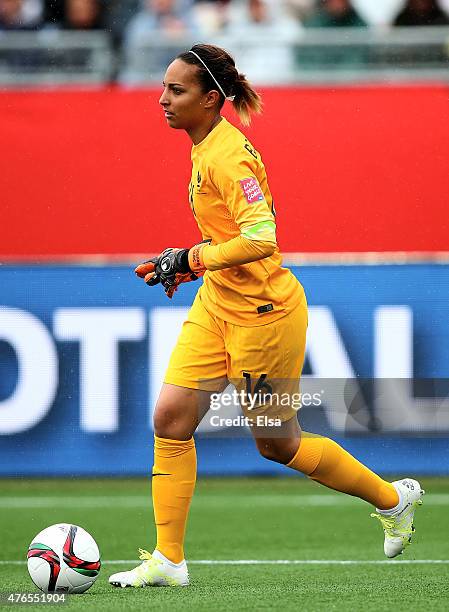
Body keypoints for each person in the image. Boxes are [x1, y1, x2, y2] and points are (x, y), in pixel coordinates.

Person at [109, 43, 424, 588]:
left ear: (211, 100)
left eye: (175, 91)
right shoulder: (203, 146)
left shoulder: (229, 155)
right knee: (170, 420)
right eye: (164, 87)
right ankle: (169, 560)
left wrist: (191, 257)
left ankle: (394, 499)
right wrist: (187, 268)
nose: (161, 99)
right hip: (218, 304)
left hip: (264, 316)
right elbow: (229, 238)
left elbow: (261, 239)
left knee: (276, 443)